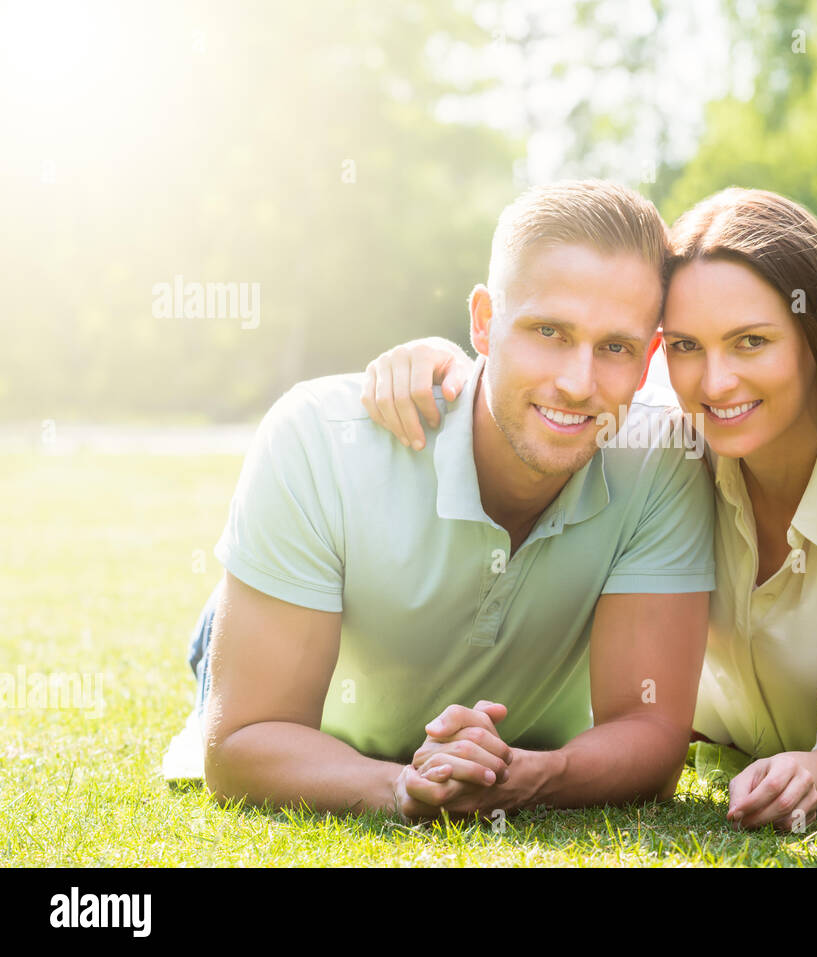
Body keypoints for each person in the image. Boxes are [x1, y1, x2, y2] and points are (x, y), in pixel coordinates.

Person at [363, 187, 817, 831]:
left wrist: (813, 773)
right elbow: (569, 378)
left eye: (751, 342)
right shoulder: (677, 434)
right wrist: (440, 363)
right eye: (685, 346)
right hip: (722, 734)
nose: (714, 383)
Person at [161, 180, 716, 823]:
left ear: (649, 356)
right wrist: (400, 787)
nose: (578, 383)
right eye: (548, 331)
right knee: (235, 640)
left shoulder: (665, 458)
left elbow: (649, 730)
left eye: (615, 347)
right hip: (303, 622)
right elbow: (239, 744)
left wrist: (533, 774)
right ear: (483, 322)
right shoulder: (314, 437)